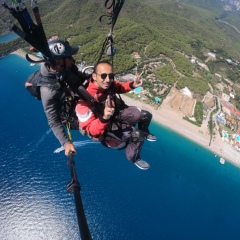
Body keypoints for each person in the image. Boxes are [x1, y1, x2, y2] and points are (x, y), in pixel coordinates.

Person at [75, 61, 157, 170]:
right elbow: (91, 130)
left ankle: (145, 133)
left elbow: (119, 88)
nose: (108, 79)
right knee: (137, 135)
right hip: (106, 126)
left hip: (116, 114)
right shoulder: (83, 101)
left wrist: (132, 85)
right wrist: (105, 117)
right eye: (103, 76)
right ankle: (134, 158)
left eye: (111, 76)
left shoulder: (109, 84)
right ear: (94, 76)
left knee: (146, 115)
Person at [26, 40, 84, 156]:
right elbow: (53, 121)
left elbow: (79, 78)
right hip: (71, 115)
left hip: (74, 96)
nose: (71, 58)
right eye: (69, 56)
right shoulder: (48, 91)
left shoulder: (65, 67)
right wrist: (66, 143)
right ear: (58, 62)